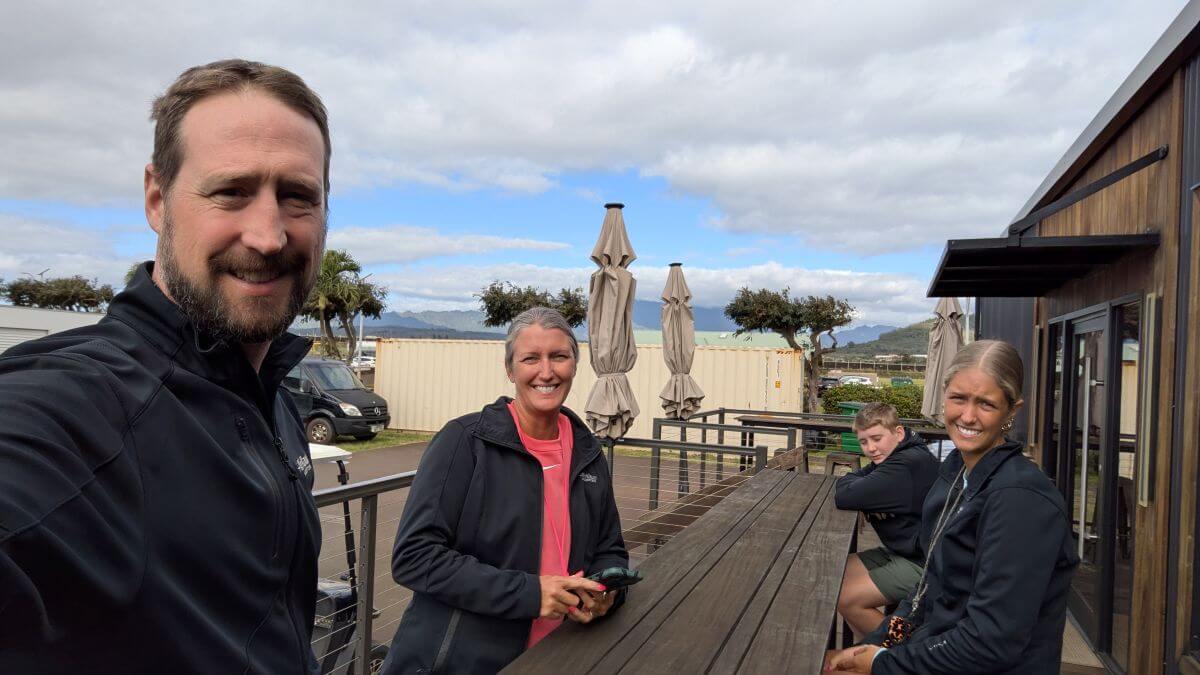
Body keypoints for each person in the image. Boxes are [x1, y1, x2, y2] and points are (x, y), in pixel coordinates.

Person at [0, 60, 331, 673]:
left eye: (297, 196)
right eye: (231, 191)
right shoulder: (82, 404)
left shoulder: (272, 403)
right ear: (157, 199)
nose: (268, 235)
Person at [382, 307, 629, 674]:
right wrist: (530, 595)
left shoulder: (588, 453)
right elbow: (414, 558)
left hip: (563, 655)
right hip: (461, 663)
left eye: (559, 356)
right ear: (510, 370)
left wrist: (611, 593)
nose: (546, 372)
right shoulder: (464, 442)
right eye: (531, 358)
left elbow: (610, 551)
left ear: (575, 366)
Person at [826, 340, 1078, 674]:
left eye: (986, 403)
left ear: (1011, 411)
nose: (968, 416)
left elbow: (990, 641)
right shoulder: (956, 472)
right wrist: (876, 643)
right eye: (958, 398)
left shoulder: (1021, 500)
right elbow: (927, 592)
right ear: (944, 396)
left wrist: (883, 663)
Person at [834, 402, 938, 637]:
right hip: (905, 551)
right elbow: (855, 478)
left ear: (898, 433)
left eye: (876, 438)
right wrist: (855, 480)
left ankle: (899, 653)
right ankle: (866, 650)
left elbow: (845, 494)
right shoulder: (896, 456)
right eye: (864, 442)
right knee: (834, 571)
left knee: (846, 598)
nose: (871, 448)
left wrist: (853, 482)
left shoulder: (906, 464)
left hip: (927, 564)